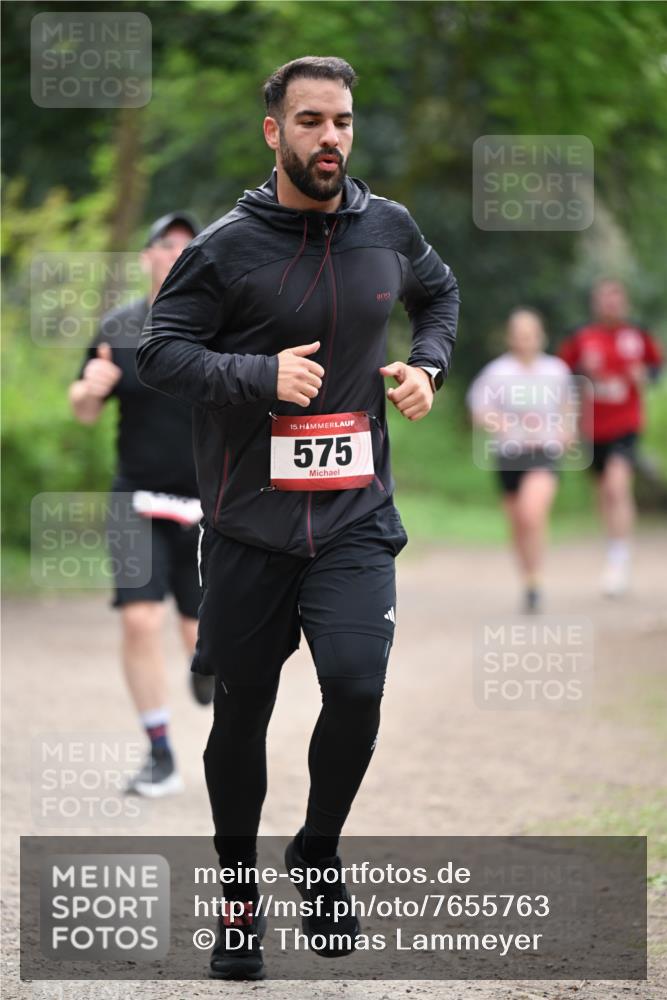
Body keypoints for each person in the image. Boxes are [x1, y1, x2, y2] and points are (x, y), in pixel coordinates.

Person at [137, 56, 459, 980]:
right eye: (311, 121)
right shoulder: (225, 248)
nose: (331, 138)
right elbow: (162, 354)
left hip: (354, 520)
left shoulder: (387, 227)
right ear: (273, 131)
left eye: (344, 121)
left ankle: (316, 851)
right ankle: (238, 906)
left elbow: (437, 295)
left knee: (357, 686)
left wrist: (425, 366)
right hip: (249, 529)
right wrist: (258, 376)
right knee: (241, 719)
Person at [68, 210, 214, 800]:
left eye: (188, 245)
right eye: (165, 243)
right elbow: (82, 405)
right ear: (147, 257)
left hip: (207, 506)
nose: (176, 252)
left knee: (203, 640)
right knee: (139, 619)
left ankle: (208, 674)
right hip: (137, 498)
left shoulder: (219, 327)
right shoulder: (120, 326)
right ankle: (159, 754)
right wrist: (89, 390)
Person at [559, 279, 663, 596]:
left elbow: (655, 370)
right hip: (592, 428)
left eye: (616, 299)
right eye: (604, 299)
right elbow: (562, 376)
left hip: (626, 424)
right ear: (596, 303)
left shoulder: (638, 336)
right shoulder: (581, 338)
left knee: (618, 486)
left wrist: (643, 376)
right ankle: (613, 546)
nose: (610, 305)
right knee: (605, 493)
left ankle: (619, 559)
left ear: (625, 303)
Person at [467, 308, 574, 613]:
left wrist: (567, 430)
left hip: (544, 452)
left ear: (541, 336)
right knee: (518, 523)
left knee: (531, 512)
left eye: (530, 333)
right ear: (510, 337)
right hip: (509, 454)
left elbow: (568, 407)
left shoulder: (557, 370)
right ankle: (530, 581)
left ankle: (536, 576)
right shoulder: (497, 372)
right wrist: (499, 423)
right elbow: (479, 408)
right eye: (518, 333)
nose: (524, 339)